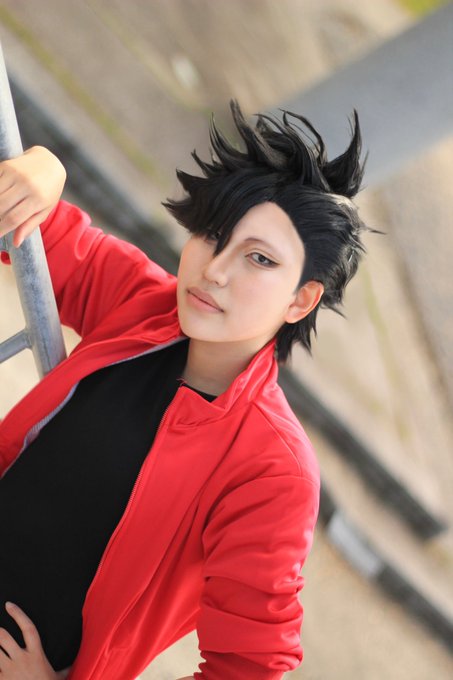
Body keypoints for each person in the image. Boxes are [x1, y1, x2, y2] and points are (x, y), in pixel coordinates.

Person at [0, 100, 370, 680]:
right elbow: (35, 230)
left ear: (301, 299)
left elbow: (248, 667)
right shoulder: (146, 306)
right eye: (213, 235)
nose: (215, 271)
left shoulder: (274, 472)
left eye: (259, 259)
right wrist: (45, 167)